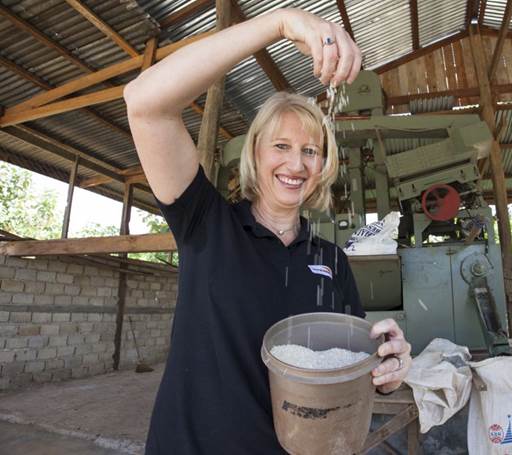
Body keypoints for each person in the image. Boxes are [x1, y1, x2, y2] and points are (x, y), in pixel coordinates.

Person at [123, 7, 412, 454]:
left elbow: (349, 372)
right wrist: (279, 23)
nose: (296, 165)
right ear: (256, 152)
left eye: (310, 151)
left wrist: (388, 372)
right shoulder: (207, 223)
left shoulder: (331, 261)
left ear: (323, 166)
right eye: (281, 146)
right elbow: (144, 102)